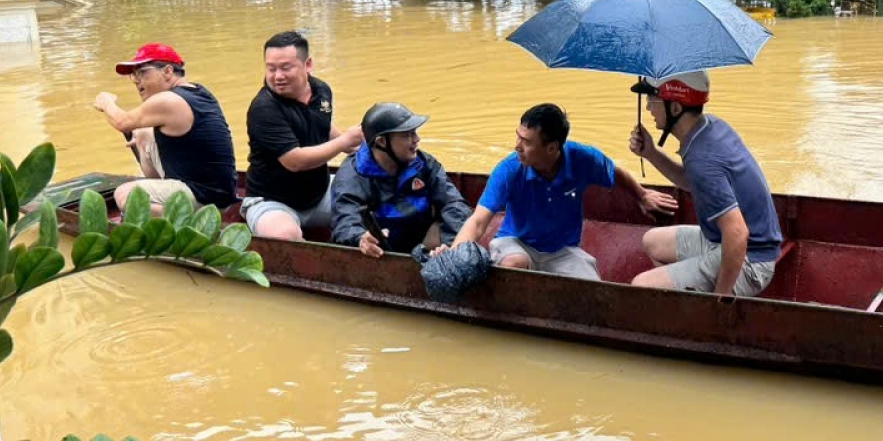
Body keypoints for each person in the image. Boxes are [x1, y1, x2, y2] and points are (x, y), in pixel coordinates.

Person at [438, 103, 678, 279]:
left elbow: (615, 171)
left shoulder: (583, 158)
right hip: (516, 243)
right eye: (518, 137)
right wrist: (453, 254)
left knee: (591, 287)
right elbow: (479, 220)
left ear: (552, 148)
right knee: (515, 263)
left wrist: (642, 196)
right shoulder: (509, 169)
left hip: (562, 250)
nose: (517, 147)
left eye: (527, 142)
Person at [626, 71, 783, 297]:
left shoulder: (702, 158)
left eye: (653, 100)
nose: (649, 108)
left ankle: (698, 312)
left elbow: (738, 234)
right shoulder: (710, 127)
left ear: (676, 108)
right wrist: (650, 153)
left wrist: (720, 298)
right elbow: (693, 183)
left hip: (751, 260)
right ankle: (685, 294)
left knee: (641, 287)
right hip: (724, 240)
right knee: (652, 241)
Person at [242, 31, 366, 240]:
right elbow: (295, 161)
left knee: (377, 200)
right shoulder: (264, 108)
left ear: (307, 65)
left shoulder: (321, 90)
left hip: (320, 194)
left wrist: (351, 145)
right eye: (271, 68)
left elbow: (320, 123)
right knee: (285, 235)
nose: (277, 76)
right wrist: (344, 141)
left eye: (285, 67)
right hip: (273, 201)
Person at [93, 43, 237, 213]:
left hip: (206, 198)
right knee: (143, 132)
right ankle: (164, 201)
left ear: (168, 72)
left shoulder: (169, 100)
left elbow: (122, 122)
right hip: (214, 191)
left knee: (124, 195)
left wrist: (106, 102)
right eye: (134, 75)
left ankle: (197, 222)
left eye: (143, 72)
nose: (137, 81)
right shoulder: (198, 90)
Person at [330, 102, 471, 257]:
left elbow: (453, 204)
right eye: (406, 135)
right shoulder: (352, 175)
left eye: (414, 132)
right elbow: (345, 222)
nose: (416, 139)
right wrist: (360, 238)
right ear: (382, 142)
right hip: (378, 253)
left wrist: (451, 245)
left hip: (423, 245)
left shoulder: (424, 163)